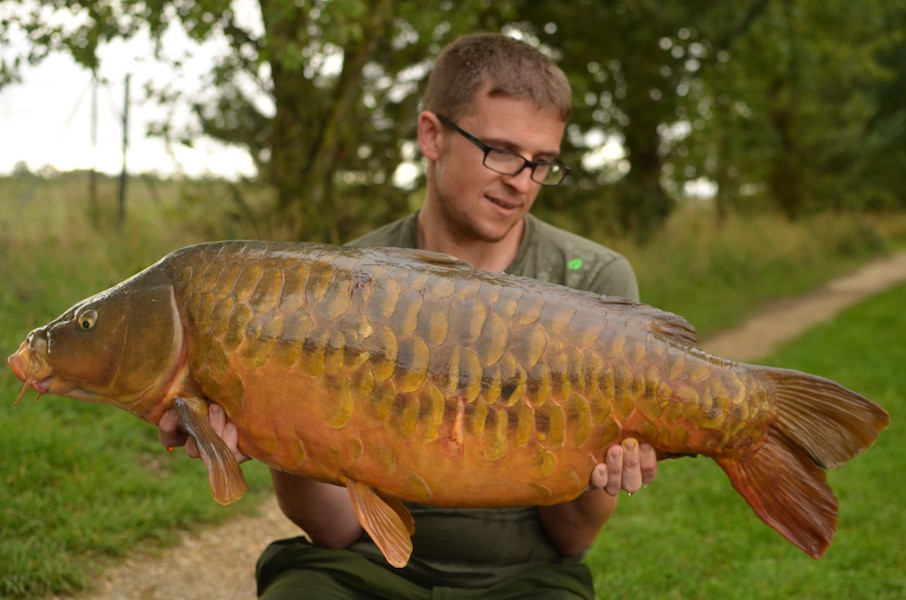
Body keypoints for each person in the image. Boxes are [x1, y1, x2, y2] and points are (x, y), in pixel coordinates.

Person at [159, 33, 657, 599]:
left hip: (524, 578)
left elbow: (570, 538)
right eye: (500, 150)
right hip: (366, 567)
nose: (520, 180)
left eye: (541, 163)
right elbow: (335, 527)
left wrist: (605, 476)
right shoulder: (343, 283)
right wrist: (274, 423)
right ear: (431, 135)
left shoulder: (592, 283)